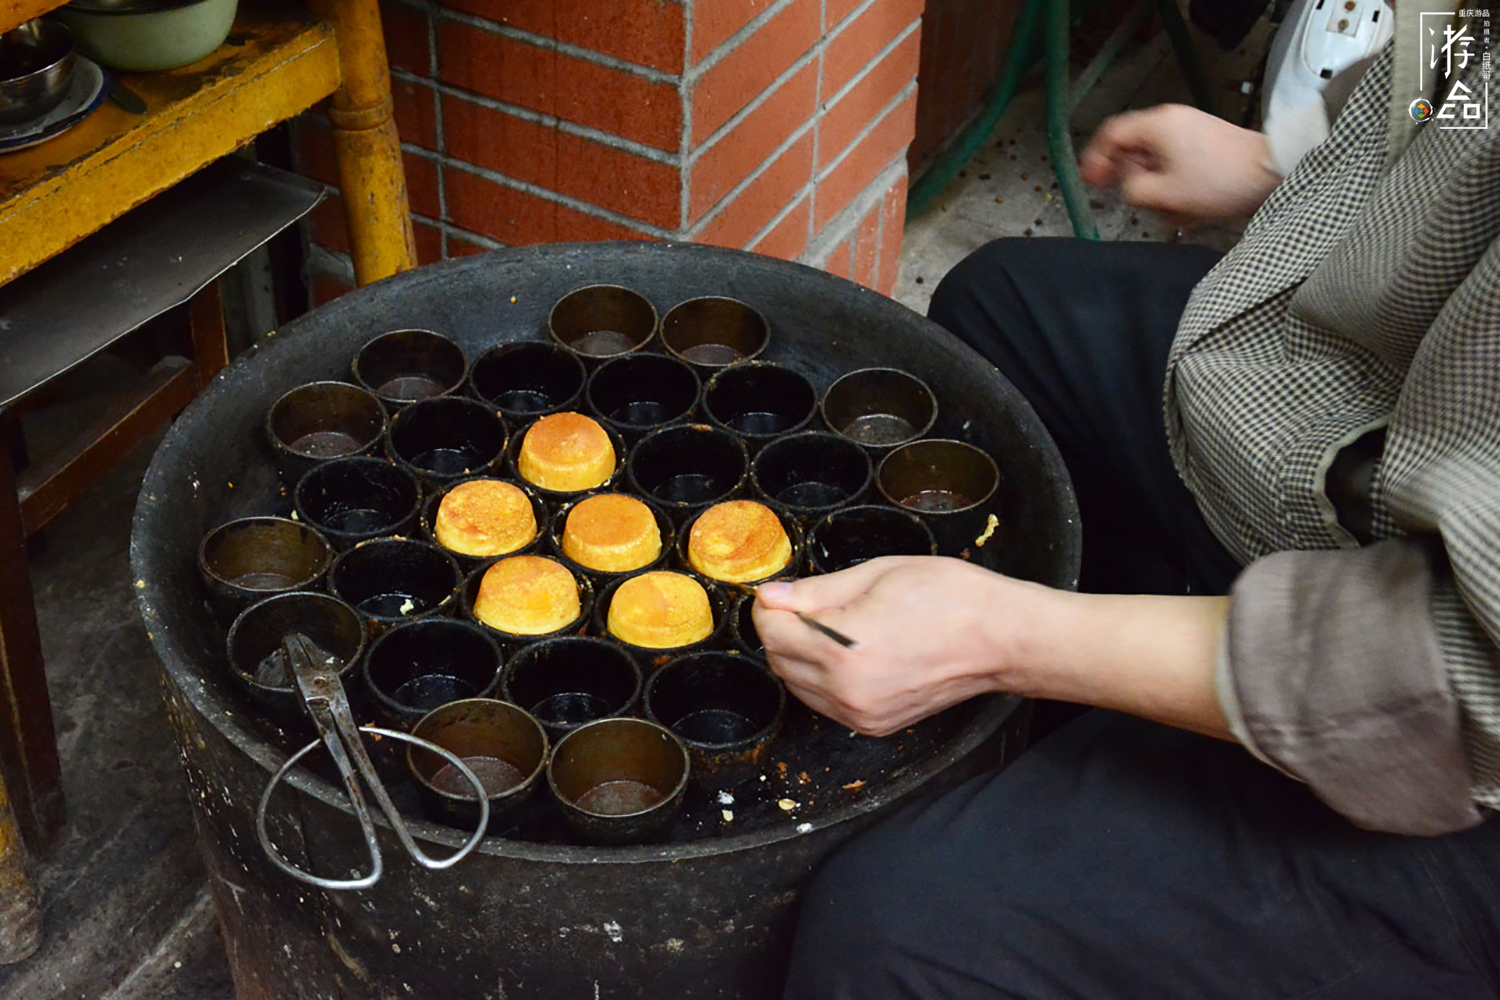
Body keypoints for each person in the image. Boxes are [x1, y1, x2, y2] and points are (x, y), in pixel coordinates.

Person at [763, 8, 1500, 998]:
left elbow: (1463, 675)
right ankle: (1079, 748)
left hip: (1455, 750)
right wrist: (1294, 160)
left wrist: (1013, 636)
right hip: (1382, 423)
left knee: (894, 934)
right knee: (1001, 311)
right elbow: (1472, 58)